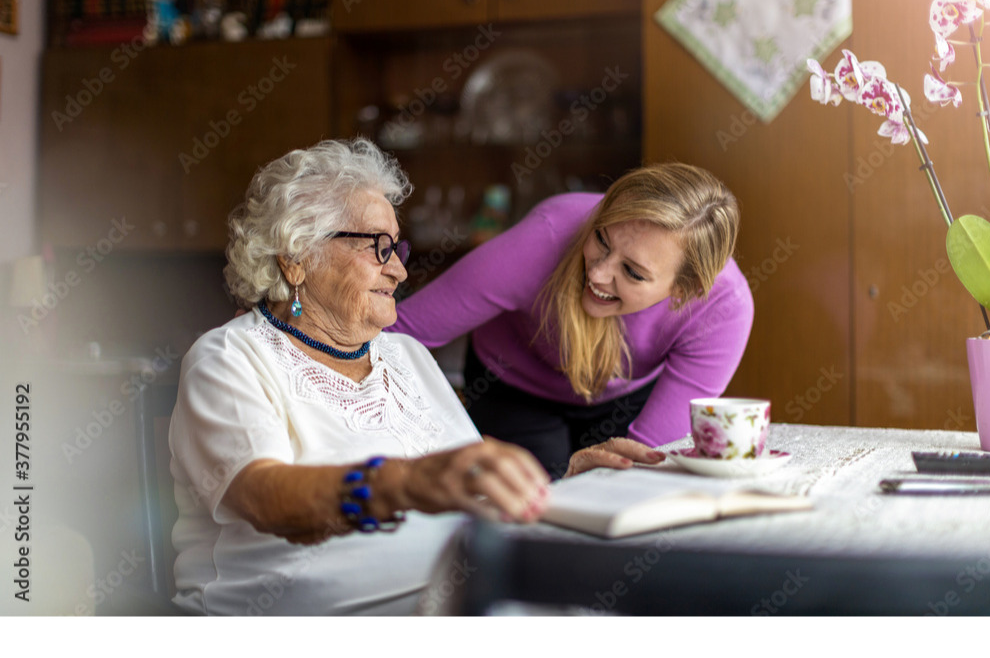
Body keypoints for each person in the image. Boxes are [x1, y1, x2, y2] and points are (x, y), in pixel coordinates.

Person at [167, 138, 662, 616]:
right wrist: (404, 482)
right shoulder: (231, 357)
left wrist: (560, 484)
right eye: (377, 248)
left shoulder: (405, 355)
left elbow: (467, 489)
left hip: (453, 605)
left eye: (396, 250)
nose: (400, 274)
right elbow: (265, 497)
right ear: (296, 260)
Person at [390, 162, 753, 478]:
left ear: (684, 290)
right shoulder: (545, 236)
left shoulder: (723, 308)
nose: (597, 273)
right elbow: (397, 333)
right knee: (531, 504)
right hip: (512, 384)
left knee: (619, 495)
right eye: (601, 239)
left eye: (632, 272)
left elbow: (645, 460)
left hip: (624, 396)